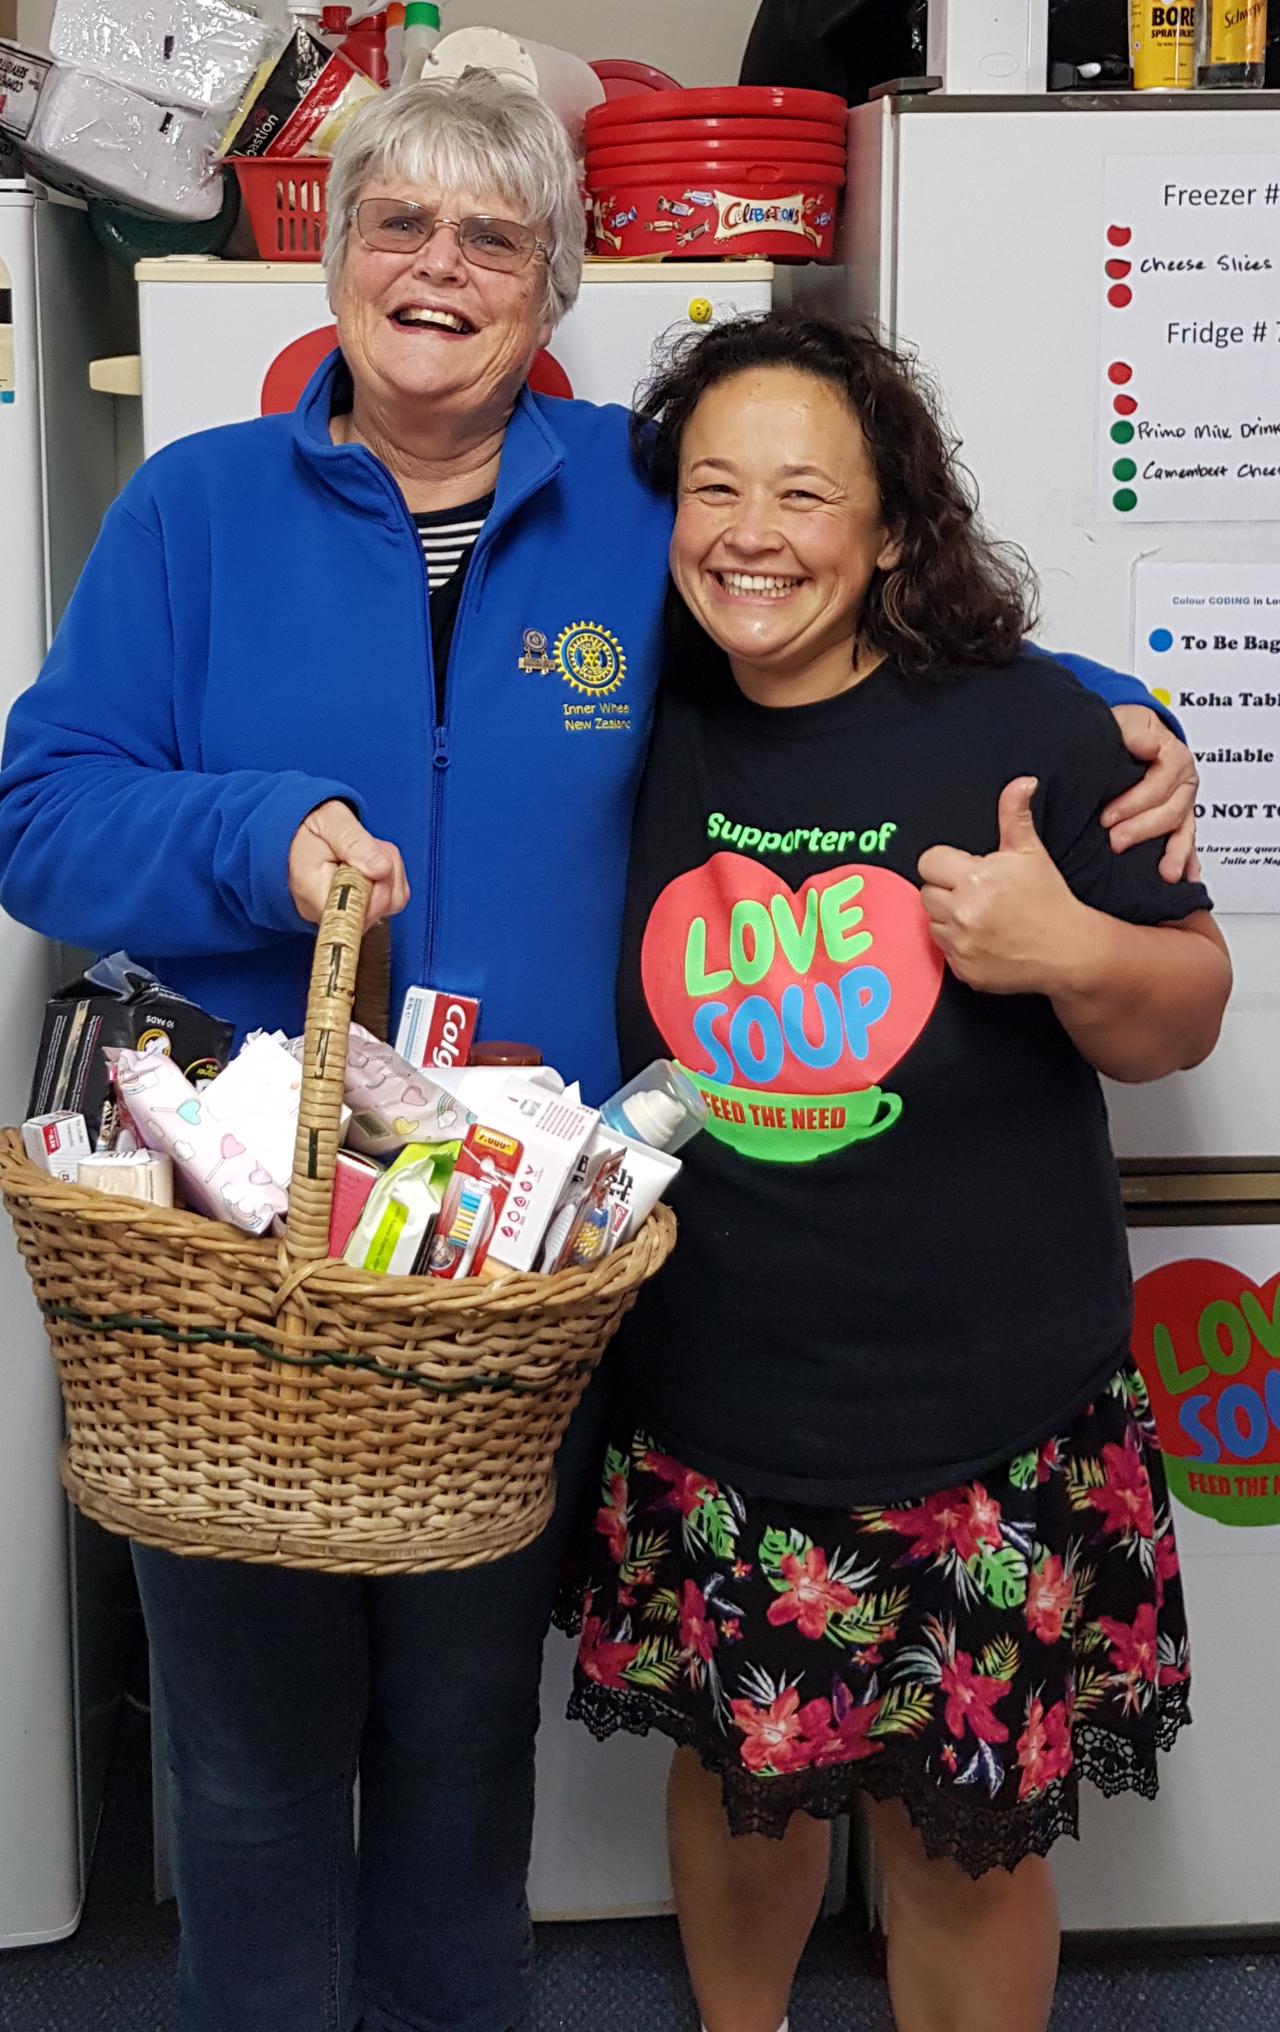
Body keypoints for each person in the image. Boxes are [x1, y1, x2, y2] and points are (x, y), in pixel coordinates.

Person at [0, 73, 1199, 2032]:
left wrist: (1113, 707)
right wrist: (254, 830)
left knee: (466, 1735)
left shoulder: (639, 508)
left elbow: (846, 619)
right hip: (245, 1261)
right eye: (398, 224)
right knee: (248, 1760)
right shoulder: (191, 512)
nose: (439, 269)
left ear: (555, 283)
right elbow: (40, 815)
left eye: (492, 236)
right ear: (333, 255)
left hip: (521, 1260)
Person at [563, 309, 1232, 2032]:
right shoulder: (636, 718)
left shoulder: (1028, 730)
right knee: (743, 1796)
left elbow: (1186, 1015)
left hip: (987, 1428)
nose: (753, 534)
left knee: (963, 1850)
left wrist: (1071, 947)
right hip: (719, 1408)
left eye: (805, 494)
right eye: (715, 489)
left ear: (888, 531)